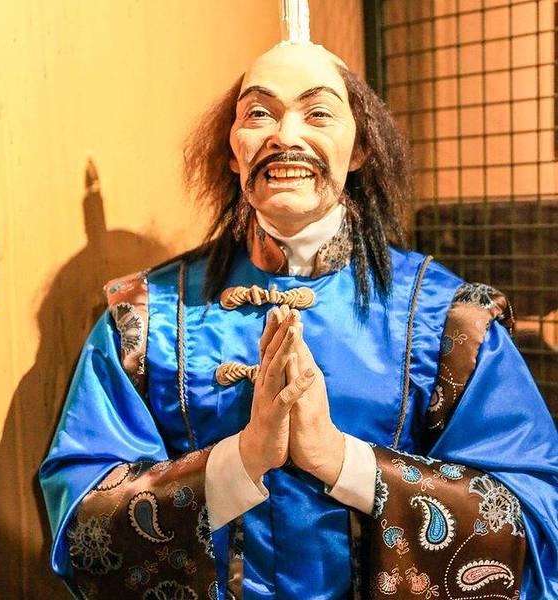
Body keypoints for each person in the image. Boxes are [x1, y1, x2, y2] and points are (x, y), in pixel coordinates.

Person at [40, 41, 557, 600]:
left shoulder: (451, 322)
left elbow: (534, 519)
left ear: (359, 147)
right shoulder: (143, 321)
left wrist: (344, 461)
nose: (285, 136)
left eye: (318, 113)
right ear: (233, 151)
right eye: (259, 113)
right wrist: (238, 462)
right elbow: (83, 518)